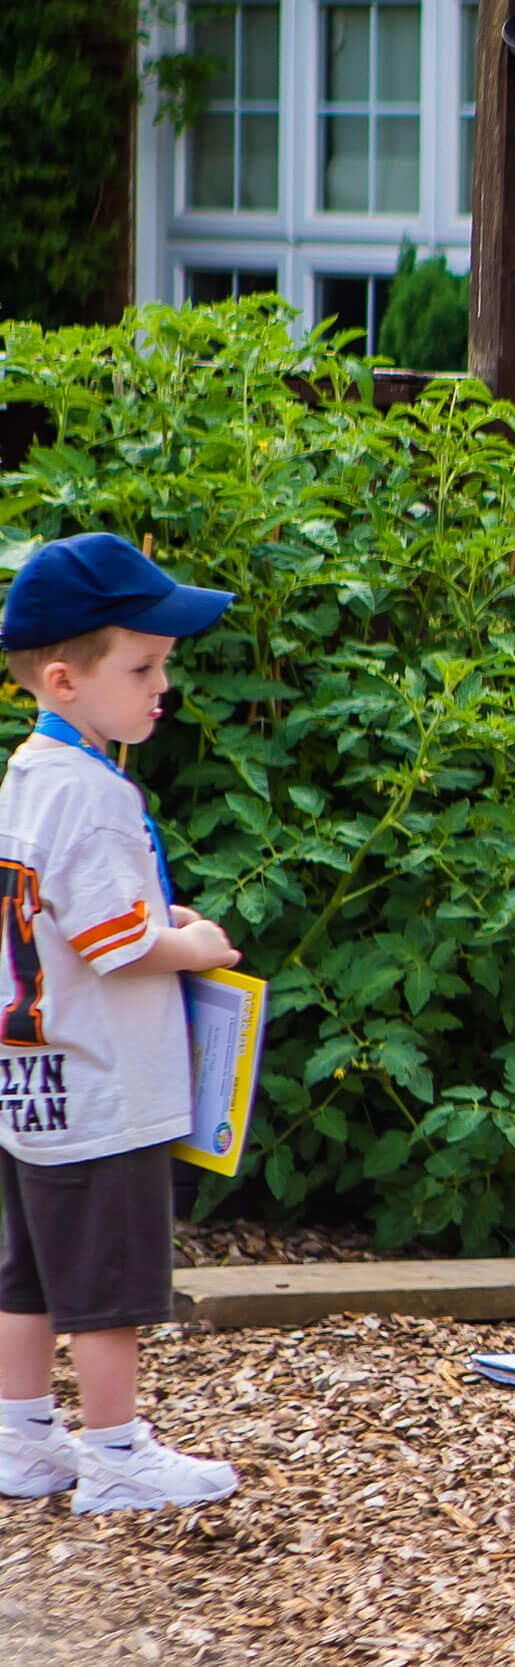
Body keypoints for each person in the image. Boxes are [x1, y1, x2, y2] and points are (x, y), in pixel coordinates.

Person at [0, 532, 247, 1513]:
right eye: (142, 667)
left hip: (31, 1077)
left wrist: (157, 920)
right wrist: (198, 943)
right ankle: (115, 1450)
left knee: (25, 1273)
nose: (163, 685)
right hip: (106, 1084)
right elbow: (120, 944)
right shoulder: (95, 795)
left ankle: (20, 1433)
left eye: (164, 664)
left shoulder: (26, 777)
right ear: (63, 679)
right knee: (107, 1281)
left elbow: (71, 917)